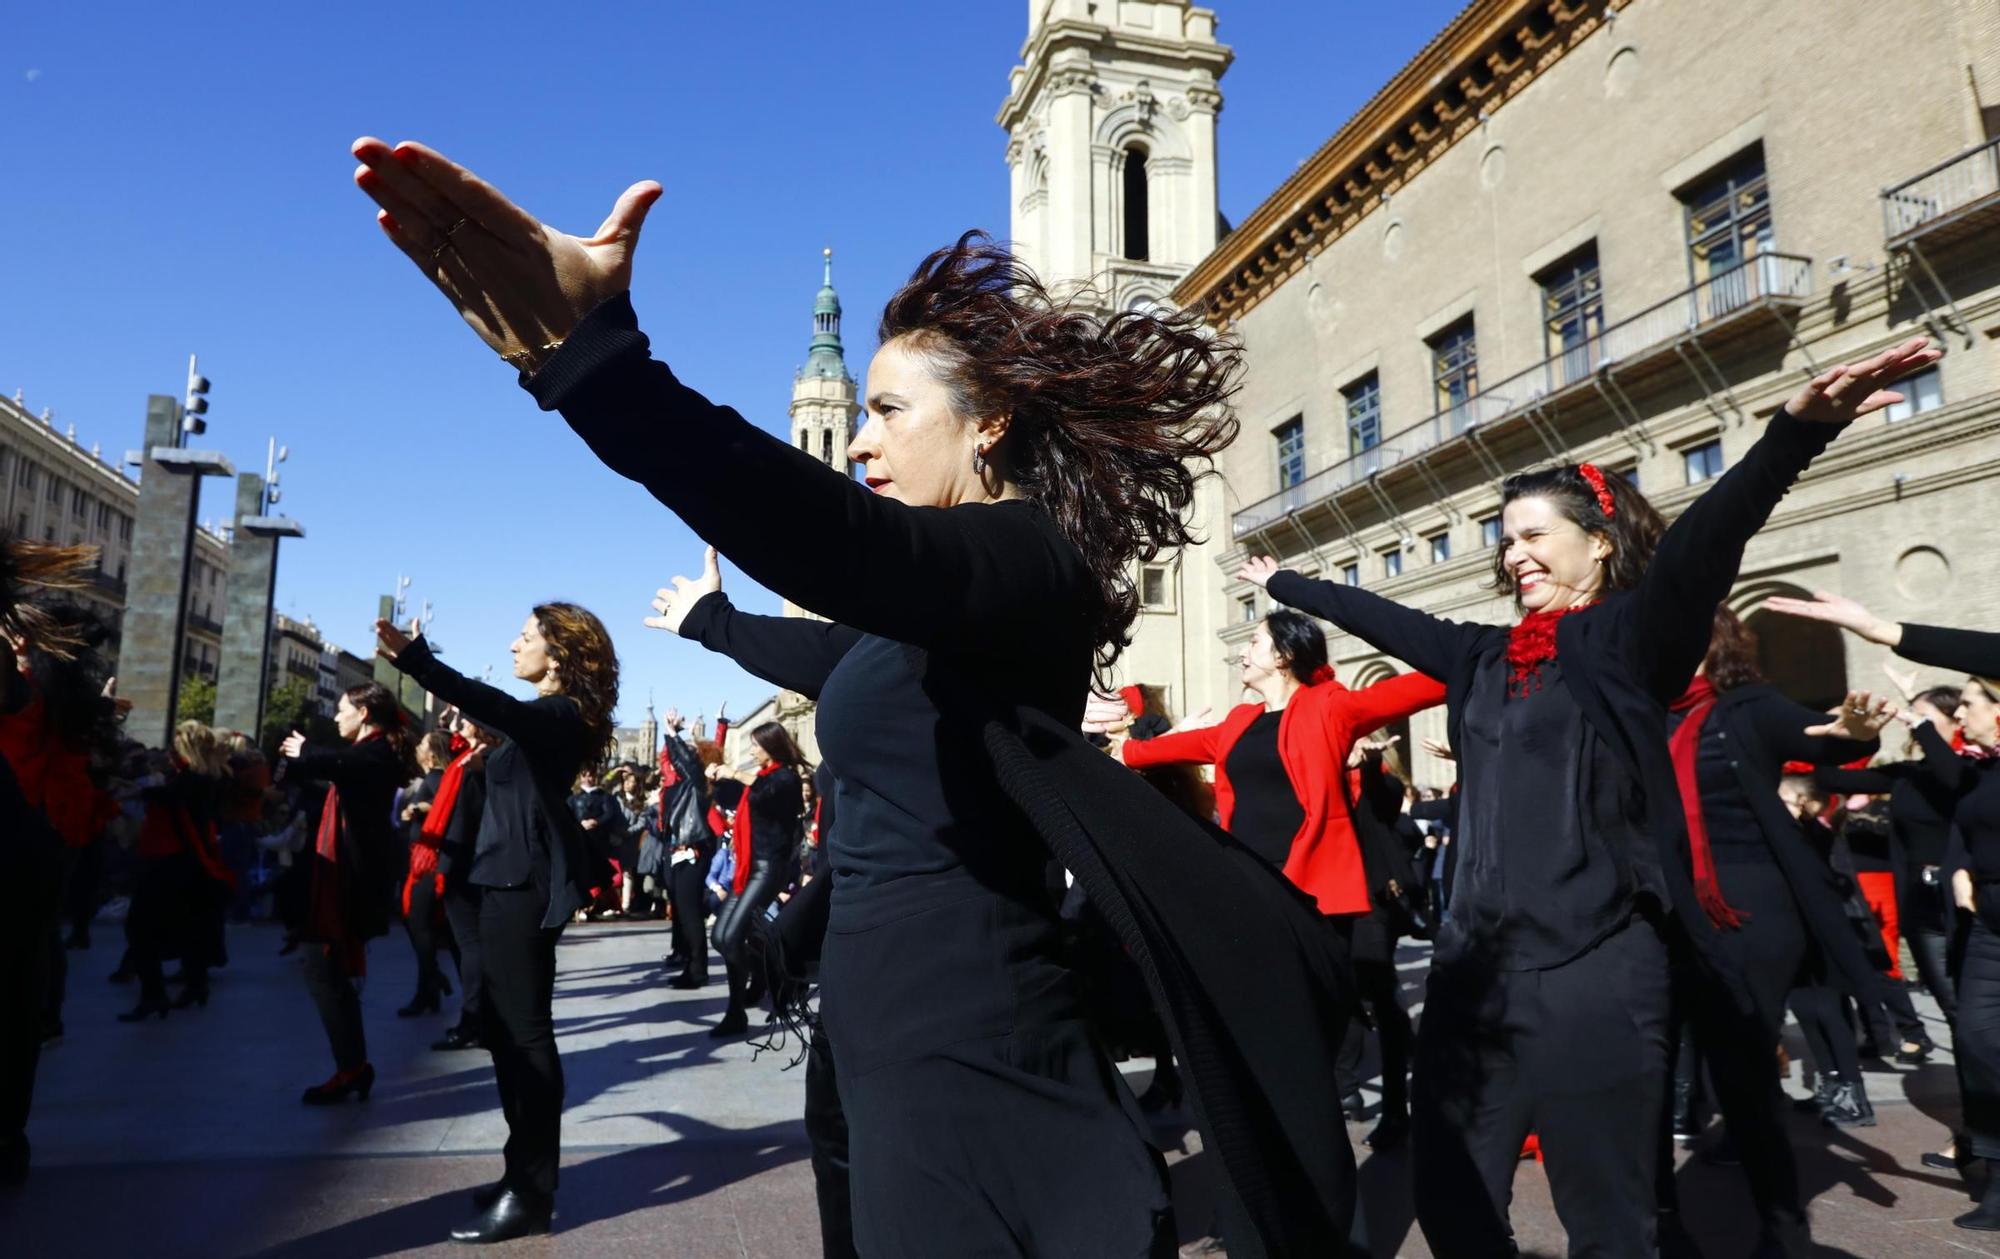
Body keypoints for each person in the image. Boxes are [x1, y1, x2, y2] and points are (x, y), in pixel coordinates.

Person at [352, 137, 1368, 1253]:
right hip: (875, 1032)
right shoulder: (919, 614)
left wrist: (599, 366)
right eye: (861, 414)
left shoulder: (1025, 556)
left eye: (889, 413)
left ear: (987, 424)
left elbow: (839, 545)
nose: (866, 443)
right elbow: (838, 656)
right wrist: (713, 623)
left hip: (973, 1037)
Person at [1241, 330, 1940, 1256]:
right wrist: (1287, 582)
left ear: (1599, 546)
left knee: (1609, 1216)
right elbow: (1384, 615)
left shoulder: (1628, 640)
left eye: (1535, 535)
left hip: (1599, 968)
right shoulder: (1480, 655)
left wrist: (1793, 432)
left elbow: (1703, 543)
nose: (1515, 555)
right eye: (1506, 541)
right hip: (1473, 969)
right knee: (1450, 1199)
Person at [1115, 608, 1443, 1147]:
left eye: (1254, 640)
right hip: (1247, 891)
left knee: (1310, 1031)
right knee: (1256, 1028)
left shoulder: (1329, 707)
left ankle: (1322, 1155)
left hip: (1311, 896)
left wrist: (1490, 654)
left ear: (1284, 655)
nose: (1243, 649)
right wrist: (1118, 745)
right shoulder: (1239, 723)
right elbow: (1147, 753)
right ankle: (1271, 1151)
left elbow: (1426, 684)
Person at [377, 604, 617, 1245]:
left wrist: (418, 662)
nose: (515, 645)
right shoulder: (542, 722)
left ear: (560, 654)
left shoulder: (560, 715)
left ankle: (532, 1193)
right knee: (510, 1037)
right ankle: (520, 1177)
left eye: (527, 637)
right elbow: (492, 714)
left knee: (525, 1037)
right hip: (502, 879)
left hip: (524, 883)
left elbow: (496, 706)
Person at [1655, 608, 1891, 1255]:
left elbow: (1821, 737)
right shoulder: (1653, 715)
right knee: (1652, 1065)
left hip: (1751, 914)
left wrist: (1852, 732)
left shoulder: (1747, 707)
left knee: (1742, 1072)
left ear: (1715, 643)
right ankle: (1660, 1220)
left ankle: (1781, 1229)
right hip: (1672, 915)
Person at [1763, 593, 2000, 1230]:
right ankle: (1989, 1160)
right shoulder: (1955, 772)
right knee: (1974, 1037)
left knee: (1980, 1037)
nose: (1965, 717)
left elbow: (1952, 778)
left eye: (1976, 702)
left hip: (1968, 914)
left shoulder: (1962, 768)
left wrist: (1886, 634)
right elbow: (1852, 782)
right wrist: (1778, 755)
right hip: (1964, 919)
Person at [0, 535, 122, 1186]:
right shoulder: (46, 702)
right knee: (22, 988)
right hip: (34, 850)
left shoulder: (26, 697)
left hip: (19, 846)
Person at [280, 683, 412, 1103]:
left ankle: (352, 1067)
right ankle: (351, 1066)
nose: (337, 717)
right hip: (347, 883)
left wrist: (308, 750)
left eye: (342, 710)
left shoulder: (375, 753)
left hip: (350, 886)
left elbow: (343, 764)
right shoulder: (370, 753)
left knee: (323, 970)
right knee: (326, 971)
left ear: (365, 714)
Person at [1814, 684, 1967, 1026]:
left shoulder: (1976, 770)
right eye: (1909, 718)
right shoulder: (1908, 775)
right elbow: (1829, 778)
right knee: (1955, 1009)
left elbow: (1952, 779)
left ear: (1957, 720)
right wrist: (1849, 735)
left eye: (1922, 717)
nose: (1911, 723)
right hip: (1922, 904)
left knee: (1980, 1010)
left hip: (1968, 902)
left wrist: (1922, 728)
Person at [703, 721, 807, 1037]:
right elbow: (733, 798)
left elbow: (766, 793)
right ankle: (765, 967)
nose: (751, 751)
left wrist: (733, 772)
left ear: (770, 747)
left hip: (768, 869)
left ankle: (736, 1013)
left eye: (755, 746)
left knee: (732, 937)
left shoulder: (785, 778)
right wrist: (716, 777)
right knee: (720, 937)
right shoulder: (759, 779)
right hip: (747, 869)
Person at [432, 712, 495, 1053]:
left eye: (462, 719)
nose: (456, 726)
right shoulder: (470, 758)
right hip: (468, 864)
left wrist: (444, 864)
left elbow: (465, 818)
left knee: (470, 945)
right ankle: (479, 1019)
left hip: (465, 865)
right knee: (466, 945)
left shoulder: (476, 763)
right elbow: (445, 741)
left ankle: (474, 1021)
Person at [398, 730, 459, 1017]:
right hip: (424, 861)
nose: (417, 747)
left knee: (420, 927)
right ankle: (430, 984)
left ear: (432, 753)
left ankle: (429, 985)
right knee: (422, 927)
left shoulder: (435, 779)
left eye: (422, 743)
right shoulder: (436, 779)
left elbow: (447, 808)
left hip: (427, 864)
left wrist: (421, 807)